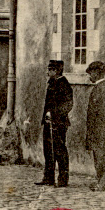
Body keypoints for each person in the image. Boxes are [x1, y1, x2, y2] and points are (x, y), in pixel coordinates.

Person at [35, 59, 73, 188]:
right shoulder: (51, 83)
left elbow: (68, 105)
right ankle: (48, 177)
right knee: (48, 150)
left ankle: (63, 179)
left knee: (59, 151)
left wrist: (54, 114)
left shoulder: (64, 84)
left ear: (56, 71)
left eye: (49, 69)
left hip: (59, 123)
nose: (47, 72)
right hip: (48, 123)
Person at [85, 61, 105, 191]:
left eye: (91, 72)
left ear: (97, 73)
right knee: (98, 156)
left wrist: (103, 130)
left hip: (101, 130)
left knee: (102, 156)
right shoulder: (98, 87)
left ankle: (104, 183)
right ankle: (101, 181)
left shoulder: (104, 88)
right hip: (95, 130)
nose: (90, 75)